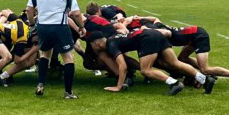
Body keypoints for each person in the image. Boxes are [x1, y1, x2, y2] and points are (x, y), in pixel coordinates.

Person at [88, 29, 217, 96]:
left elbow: (122, 66)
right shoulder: (113, 38)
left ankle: (175, 83)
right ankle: (205, 79)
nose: (94, 49)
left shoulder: (111, 44)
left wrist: (118, 86)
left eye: (93, 46)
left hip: (147, 38)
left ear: (96, 43)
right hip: (155, 34)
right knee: (175, 63)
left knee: (145, 70)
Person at [26, 0, 85, 99]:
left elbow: (29, 9)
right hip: (59, 26)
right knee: (68, 58)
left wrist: (31, 24)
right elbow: (76, 13)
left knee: (45, 55)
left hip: (42, 26)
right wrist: (81, 27)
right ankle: (68, 92)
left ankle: (40, 84)